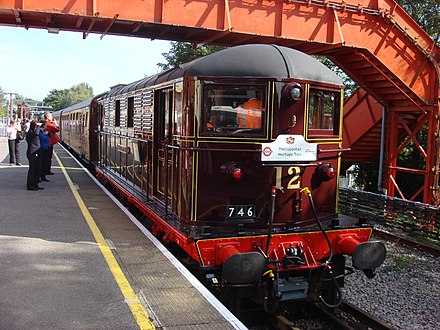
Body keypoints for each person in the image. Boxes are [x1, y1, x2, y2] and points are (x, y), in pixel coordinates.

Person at [26, 120, 43, 191]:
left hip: (36, 153)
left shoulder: (33, 132)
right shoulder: (31, 132)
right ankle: (30, 185)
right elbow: (36, 133)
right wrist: (38, 125)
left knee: (37, 169)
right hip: (32, 153)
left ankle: (35, 184)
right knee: (32, 169)